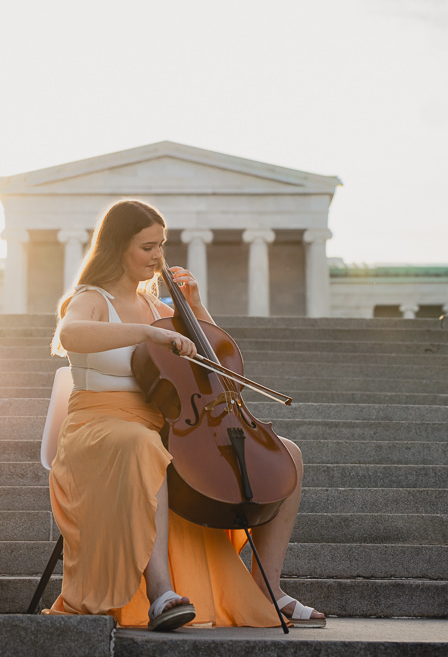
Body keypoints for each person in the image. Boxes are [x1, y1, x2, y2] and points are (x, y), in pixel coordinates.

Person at [46, 199, 325, 631]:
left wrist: (194, 309)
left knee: (286, 454)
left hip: (165, 422)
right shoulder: (92, 298)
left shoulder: (162, 307)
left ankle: (268, 588)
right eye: (147, 247)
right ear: (118, 246)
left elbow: (216, 362)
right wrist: (145, 331)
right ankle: (162, 593)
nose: (159, 257)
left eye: (162, 245)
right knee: (144, 445)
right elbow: (70, 335)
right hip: (98, 425)